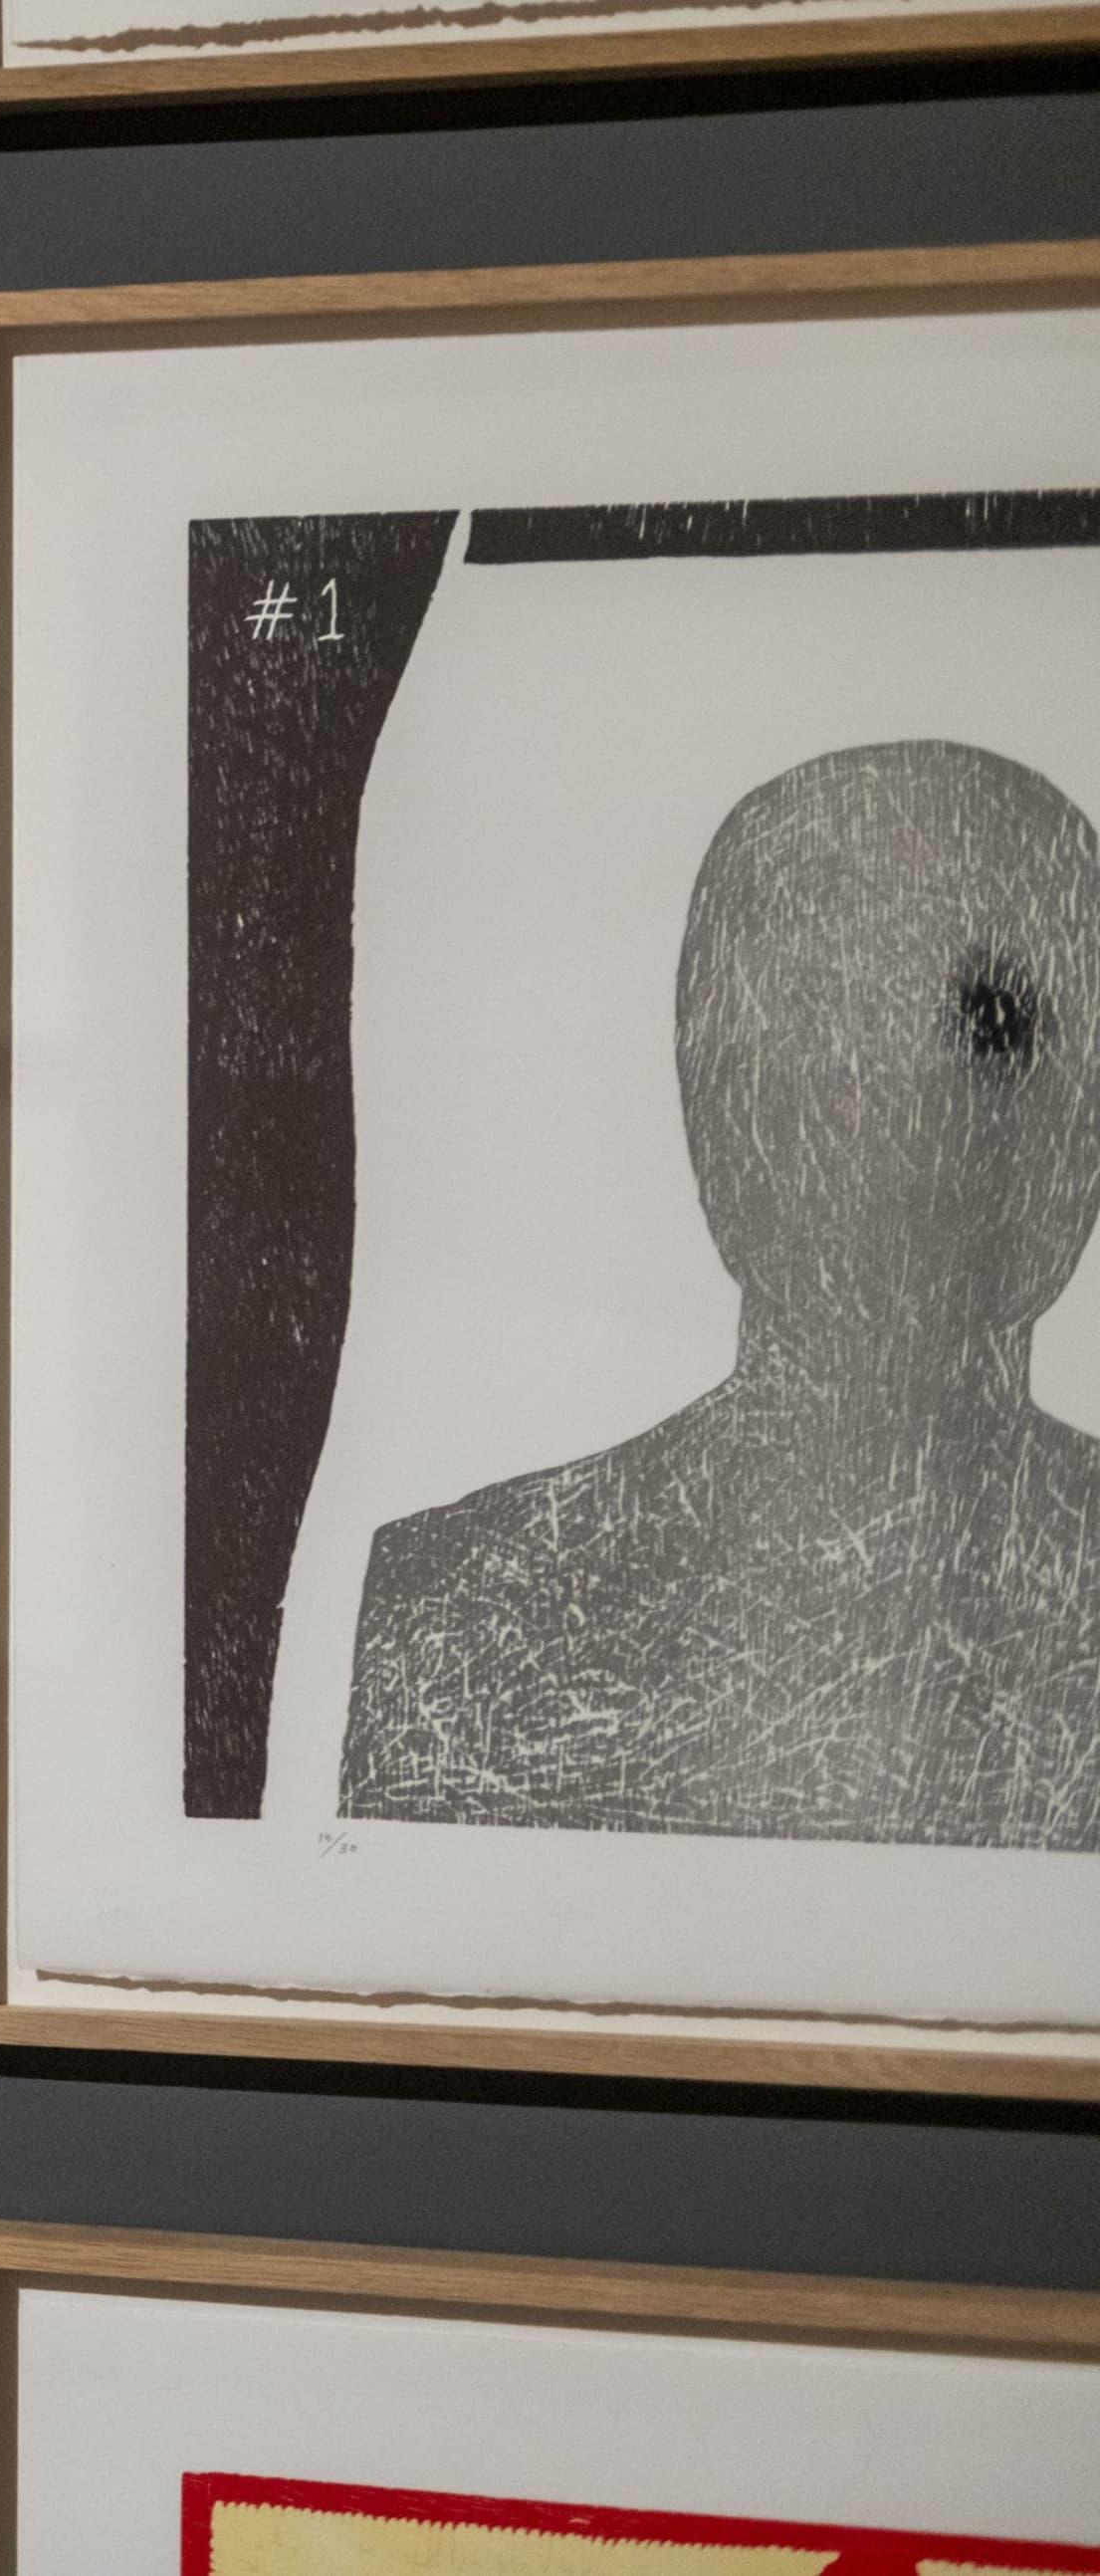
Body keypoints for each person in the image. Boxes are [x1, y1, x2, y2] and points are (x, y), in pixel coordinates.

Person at [342, 740, 1100, 1850]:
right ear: (717, 1103)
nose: (898, 1096)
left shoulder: (471, 1604)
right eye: (823, 1010)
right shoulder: (465, 1610)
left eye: (990, 1030)